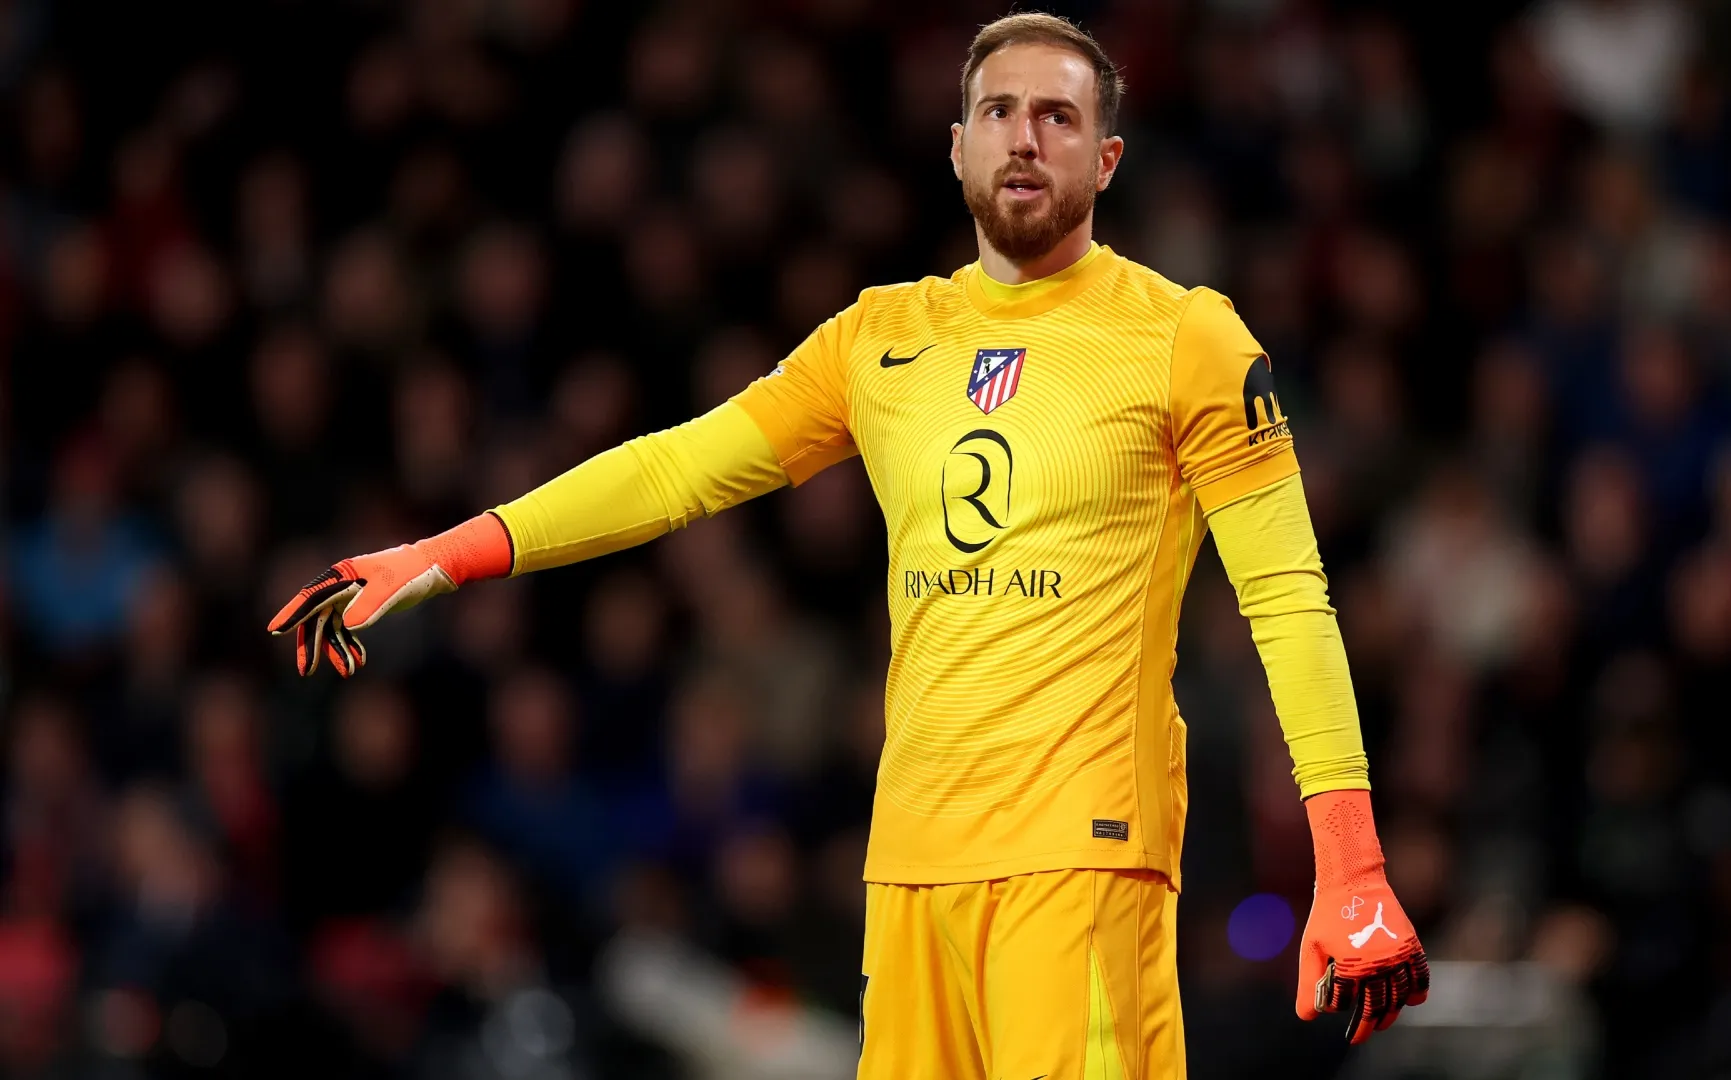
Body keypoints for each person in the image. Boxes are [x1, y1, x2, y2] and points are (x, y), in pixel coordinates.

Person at [269, 13, 1428, 1076]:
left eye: (1059, 116)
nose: (1025, 138)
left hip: (1084, 857)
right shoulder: (882, 338)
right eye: (999, 112)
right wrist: (452, 552)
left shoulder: (1186, 338)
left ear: (1106, 161)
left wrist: (1353, 864)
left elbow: (1289, 599)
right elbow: (678, 468)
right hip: (909, 866)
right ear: (958, 149)